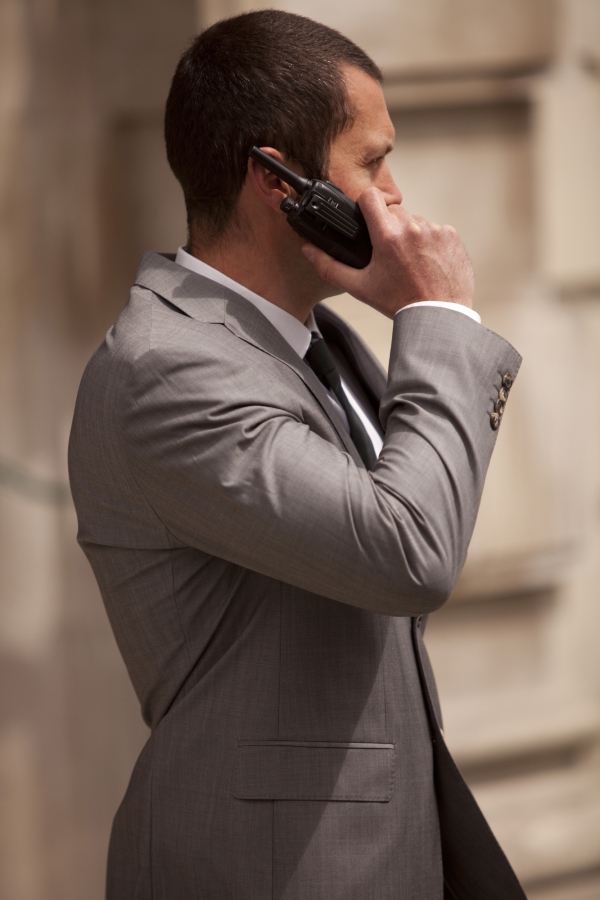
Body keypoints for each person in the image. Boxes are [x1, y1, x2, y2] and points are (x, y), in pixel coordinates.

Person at [68, 10, 525, 900]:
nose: (395, 197)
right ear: (280, 181)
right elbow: (408, 551)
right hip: (268, 871)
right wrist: (440, 320)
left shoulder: (320, 344)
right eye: (374, 161)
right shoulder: (168, 370)